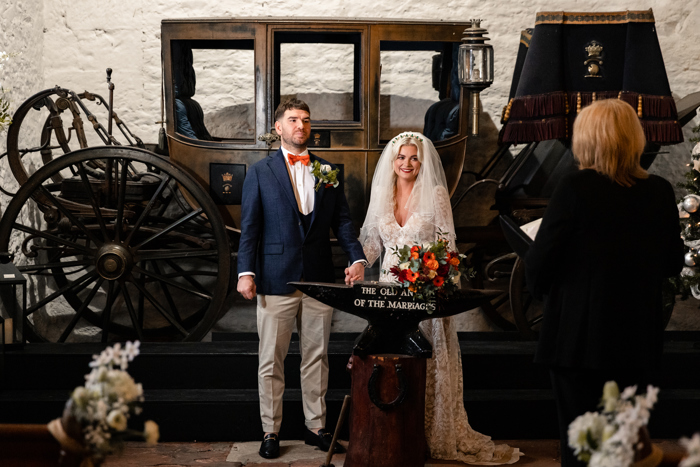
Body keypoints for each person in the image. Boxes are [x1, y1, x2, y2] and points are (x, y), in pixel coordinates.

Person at [524, 99, 684, 466]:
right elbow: (673, 263)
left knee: (581, 440)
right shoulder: (659, 190)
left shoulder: (576, 187)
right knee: (624, 441)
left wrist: (545, 290)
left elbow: (541, 258)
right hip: (637, 335)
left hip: (578, 335)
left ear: (587, 139)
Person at [359, 131, 521, 464]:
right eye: (401, 157)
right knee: (395, 357)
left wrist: (437, 283)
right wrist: (356, 265)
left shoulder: (434, 194)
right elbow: (371, 249)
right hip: (391, 288)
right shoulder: (381, 193)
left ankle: (432, 432)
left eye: (414, 157)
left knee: (428, 360)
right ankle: (398, 429)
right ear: (392, 161)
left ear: (422, 162)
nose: (407, 163)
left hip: (425, 288)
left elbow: (447, 247)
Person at [237, 98, 367, 460]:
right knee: (271, 360)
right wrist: (245, 272)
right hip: (275, 278)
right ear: (278, 127)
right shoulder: (260, 173)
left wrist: (356, 257)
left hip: (320, 280)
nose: (301, 126)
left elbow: (342, 222)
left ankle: (316, 427)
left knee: (316, 356)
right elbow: (250, 229)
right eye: (293, 120)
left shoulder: (328, 170)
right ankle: (270, 431)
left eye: (306, 120)